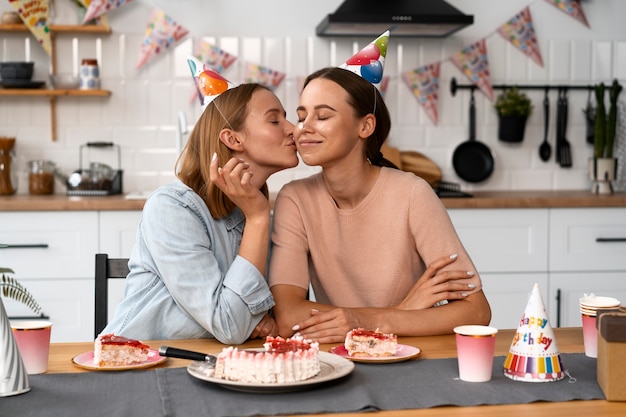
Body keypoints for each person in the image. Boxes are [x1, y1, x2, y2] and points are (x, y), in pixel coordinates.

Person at [269, 67, 491, 344]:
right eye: (301, 117)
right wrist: (400, 312)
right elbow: (288, 317)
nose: (304, 127)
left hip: (410, 352)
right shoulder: (295, 199)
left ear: (365, 126)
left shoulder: (413, 193)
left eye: (323, 115)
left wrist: (366, 322)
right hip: (340, 356)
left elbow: (476, 311)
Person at [102, 83, 299, 343]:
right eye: (275, 120)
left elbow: (265, 321)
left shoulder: (266, 218)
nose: (293, 129)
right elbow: (231, 326)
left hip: (210, 366)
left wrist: (256, 321)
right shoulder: (172, 208)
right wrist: (258, 218)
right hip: (132, 365)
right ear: (233, 139)